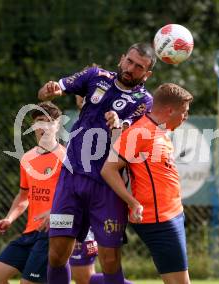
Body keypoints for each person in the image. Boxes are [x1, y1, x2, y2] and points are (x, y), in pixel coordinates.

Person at [38, 42, 156, 283]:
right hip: (71, 179)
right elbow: (49, 92)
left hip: (107, 186)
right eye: (130, 61)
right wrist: (49, 90)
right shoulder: (96, 76)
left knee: (110, 260)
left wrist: (118, 123)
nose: (131, 68)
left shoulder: (144, 101)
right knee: (57, 254)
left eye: (139, 67)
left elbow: (131, 136)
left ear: (147, 74)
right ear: (122, 58)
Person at [0, 102, 97, 284]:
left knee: (29, 282)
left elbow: (83, 196)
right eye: (39, 121)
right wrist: (9, 218)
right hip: (30, 232)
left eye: (48, 121)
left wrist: (55, 213)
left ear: (57, 125)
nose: (44, 126)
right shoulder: (27, 158)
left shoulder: (68, 158)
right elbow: (23, 196)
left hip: (55, 230)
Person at [101, 83, 193, 284]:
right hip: (158, 219)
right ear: (169, 110)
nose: (186, 116)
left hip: (172, 213)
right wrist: (132, 202)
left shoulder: (160, 130)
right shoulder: (139, 132)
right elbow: (108, 169)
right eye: (184, 112)